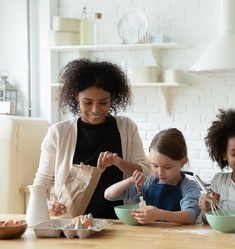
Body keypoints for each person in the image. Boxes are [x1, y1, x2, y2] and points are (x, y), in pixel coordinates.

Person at [33, 58, 150, 219]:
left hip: (120, 222)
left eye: (103, 102)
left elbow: (145, 172)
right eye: (87, 102)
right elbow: (42, 181)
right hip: (72, 222)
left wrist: (119, 162)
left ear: (112, 98)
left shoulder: (126, 127)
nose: (95, 110)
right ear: (76, 97)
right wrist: (47, 203)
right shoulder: (59, 133)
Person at [104, 128, 201, 225]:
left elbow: (190, 216)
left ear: (183, 162)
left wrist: (159, 214)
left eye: (167, 167)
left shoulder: (188, 186)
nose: (160, 172)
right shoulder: (148, 183)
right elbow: (109, 195)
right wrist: (131, 180)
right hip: (150, 237)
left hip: (177, 238)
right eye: (155, 166)